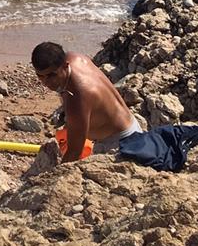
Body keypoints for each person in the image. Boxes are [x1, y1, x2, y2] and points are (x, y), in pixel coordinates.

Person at [25, 42, 138, 177]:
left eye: (51, 75)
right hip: (128, 123)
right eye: (40, 76)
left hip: (120, 146)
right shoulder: (76, 58)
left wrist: (54, 178)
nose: (46, 82)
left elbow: (74, 152)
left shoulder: (77, 98)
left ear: (65, 66)